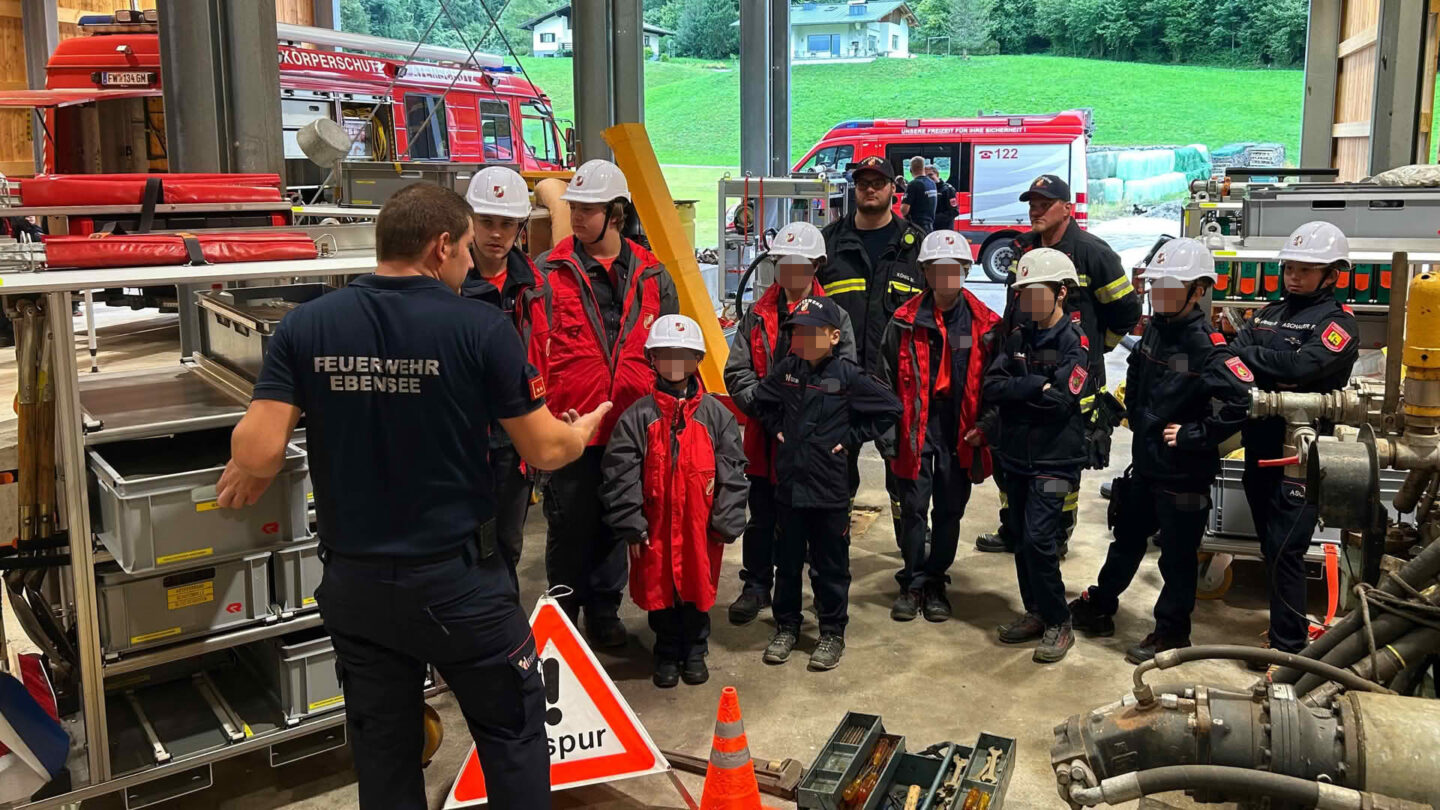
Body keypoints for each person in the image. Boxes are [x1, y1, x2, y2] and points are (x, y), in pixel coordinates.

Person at [216, 182, 610, 809]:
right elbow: (543, 450)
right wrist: (580, 432)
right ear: (441, 246)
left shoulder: (305, 327)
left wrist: (253, 456)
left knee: (384, 747)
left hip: (357, 584)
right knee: (511, 734)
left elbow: (260, 452)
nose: (466, 267)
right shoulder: (479, 328)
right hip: (457, 585)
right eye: (461, 255)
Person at [1068, 238, 1253, 663]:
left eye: (1172, 286)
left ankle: (1172, 634)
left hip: (1184, 476)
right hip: (1147, 466)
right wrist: (1123, 411)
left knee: (1177, 558)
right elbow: (1135, 377)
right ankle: (1101, 605)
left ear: (1199, 290)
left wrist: (1194, 435)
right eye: (1157, 286)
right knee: (1126, 540)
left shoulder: (1207, 347)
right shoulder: (1155, 329)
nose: (1161, 294)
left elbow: (1241, 402)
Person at [540, 158, 680, 646]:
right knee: (568, 526)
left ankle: (604, 611)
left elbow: (671, 348)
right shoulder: (551, 272)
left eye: (587, 210)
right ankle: (563, 621)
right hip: (571, 424)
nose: (576, 218)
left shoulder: (653, 275)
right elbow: (535, 350)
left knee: (616, 522)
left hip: (631, 426)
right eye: (574, 208)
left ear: (616, 215)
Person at [975, 173, 1141, 555]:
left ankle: (1056, 536)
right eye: (1032, 203)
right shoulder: (1022, 248)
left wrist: (1095, 350)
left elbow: (1127, 312)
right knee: (1009, 458)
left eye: (1044, 203)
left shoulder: (1092, 253)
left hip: (1068, 379)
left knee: (1060, 466)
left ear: (1067, 208)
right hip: (1022, 371)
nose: (1036, 210)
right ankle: (1013, 528)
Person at [1232, 221, 1359, 664]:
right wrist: (1265, 359)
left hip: (1301, 456)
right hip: (1259, 446)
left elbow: (1303, 370)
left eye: (1307, 270)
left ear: (1332, 275)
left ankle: (1289, 650)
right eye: (1291, 267)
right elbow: (1238, 351)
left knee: (1287, 549)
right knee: (1270, 544)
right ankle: (1285, 628)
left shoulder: (1337, 324)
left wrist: (1255, 357)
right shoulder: (1269, 311)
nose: (1295, 277)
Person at [752, 297, 900, 671]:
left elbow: (890, 408)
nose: (802, 339)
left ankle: (832, 632)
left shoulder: (848, 376)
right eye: (796, 332)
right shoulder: (787, 371)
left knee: (830, 566)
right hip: (789, 487)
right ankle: (787, 626)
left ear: (834, 336)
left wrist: (851, 439)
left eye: (811, 332)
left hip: (830, 490)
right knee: (786, 564)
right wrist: (778, 430)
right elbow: (761, 402)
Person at [601, 315, 748, 688]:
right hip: (655, 528)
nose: (674, 362)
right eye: (666, 354)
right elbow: (620, 473)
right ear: (652, 358)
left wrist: (726, 518)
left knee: (697, 589)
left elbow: (732, 469)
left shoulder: (716, 417)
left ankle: (696, 649)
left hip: (702, 527)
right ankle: (666, 650)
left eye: (683, 354)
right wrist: (631, 522)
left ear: (698, 358)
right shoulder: (638, 417)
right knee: (660, 591)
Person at [723, 221, 857, 626]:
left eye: (799, 266)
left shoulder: (837, 318)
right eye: (784, 264)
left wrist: (808, 419)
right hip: (767, 440)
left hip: (816, 445)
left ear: (816, 266)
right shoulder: (758, 316)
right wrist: (768, 413)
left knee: (817, 522)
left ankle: (818, 593)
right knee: (763, 516)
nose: (791, 274)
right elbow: (737, 373)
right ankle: (758, 584)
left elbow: (845, 376)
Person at [882, 231, 1001, 622]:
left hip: (960, 427)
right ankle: (913, 581)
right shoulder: (902, 321)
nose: (947, 277)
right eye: (938, 270)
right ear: (925, 273)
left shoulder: (986, 324)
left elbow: (997, 387)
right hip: (915, 425)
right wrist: (887, 433)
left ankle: (936, 581)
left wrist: (985, 426)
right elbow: (882, 381)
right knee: (913, 507)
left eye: (954, 270)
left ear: (966, 271)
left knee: (950, 509)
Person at [983, 248, 1091, 664]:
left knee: (1040, 541)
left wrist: (1021, 390)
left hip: (1055, 460)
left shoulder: (1075, 342)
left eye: (1035, 291)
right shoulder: (1017, 337)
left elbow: (1062, 400)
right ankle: (1036, 613)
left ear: (1061, 292)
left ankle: (1059, 621)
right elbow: (992, 387)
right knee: (1022, 544)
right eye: (1022, 292)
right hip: (1016, 458)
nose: (1026, 300)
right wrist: (1033, 388)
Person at [462, 166, 552, 585]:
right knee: (460, 542)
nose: (496, 234)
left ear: (519, 227)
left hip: (516, 436)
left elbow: (547, 357)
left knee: (507, 543)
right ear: (470, 221)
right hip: (460, 434)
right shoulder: (447, 283)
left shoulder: (535, 285)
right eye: (486, 222)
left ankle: (501, 628)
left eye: (506, 224)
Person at [821, 155, 925, 496]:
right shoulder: (829, 243)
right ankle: (833, 540)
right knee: (835, 466)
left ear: (893, 189)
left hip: (897, 380)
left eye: (878, 183)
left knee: (904, 469)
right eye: (863, 183)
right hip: (839, 378)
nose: (869, 189)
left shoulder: (916, 246)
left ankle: (911, 542)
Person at [900, 156, 937, 234]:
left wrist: (903, 199)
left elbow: (904, 210)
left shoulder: (913, 184)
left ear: (910, 170)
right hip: (929, 227)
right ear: (924, 168)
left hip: (916, 228)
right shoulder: (932, 183)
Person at [927, 165, 958, 233]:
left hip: (944, 230)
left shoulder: (948, 189)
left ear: (937, 174)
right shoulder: (924, 190)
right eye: (926, 176)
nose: (928, 178)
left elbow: (954, 212)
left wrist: (932, 218)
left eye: (930, 175)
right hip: (929, 230)